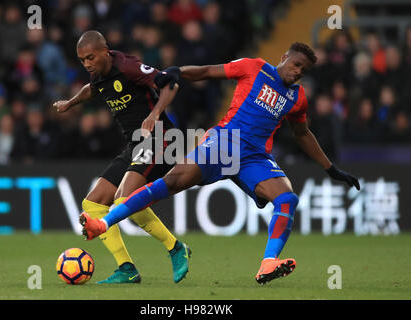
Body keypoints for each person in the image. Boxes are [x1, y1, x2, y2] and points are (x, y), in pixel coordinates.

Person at [80, 42, 361, 285]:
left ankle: (268, 263)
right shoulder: (255, 68)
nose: (298, 71)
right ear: (284, 57)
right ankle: (103, 224)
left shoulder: (297, 98)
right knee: (173, 181)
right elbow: (208, 71)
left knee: (287, 199)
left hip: (254, 158)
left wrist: (330, 168)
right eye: (296, 64)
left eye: (304, 70)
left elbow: (302, 133)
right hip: (224, 144)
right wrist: (177, 72)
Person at [52, 31, 191, 284]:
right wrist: (70, 104)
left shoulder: (128, 66)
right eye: (82, 60)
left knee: (125, 199)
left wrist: (155, 114)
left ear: (105, 51)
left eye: (91, 57)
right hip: (136, 145)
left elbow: (171, 83)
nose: (87, 64)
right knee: (92, 204)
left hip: (162, 138)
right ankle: (126, 269)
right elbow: (90, 90)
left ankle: (176, 248)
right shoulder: (98, 75)